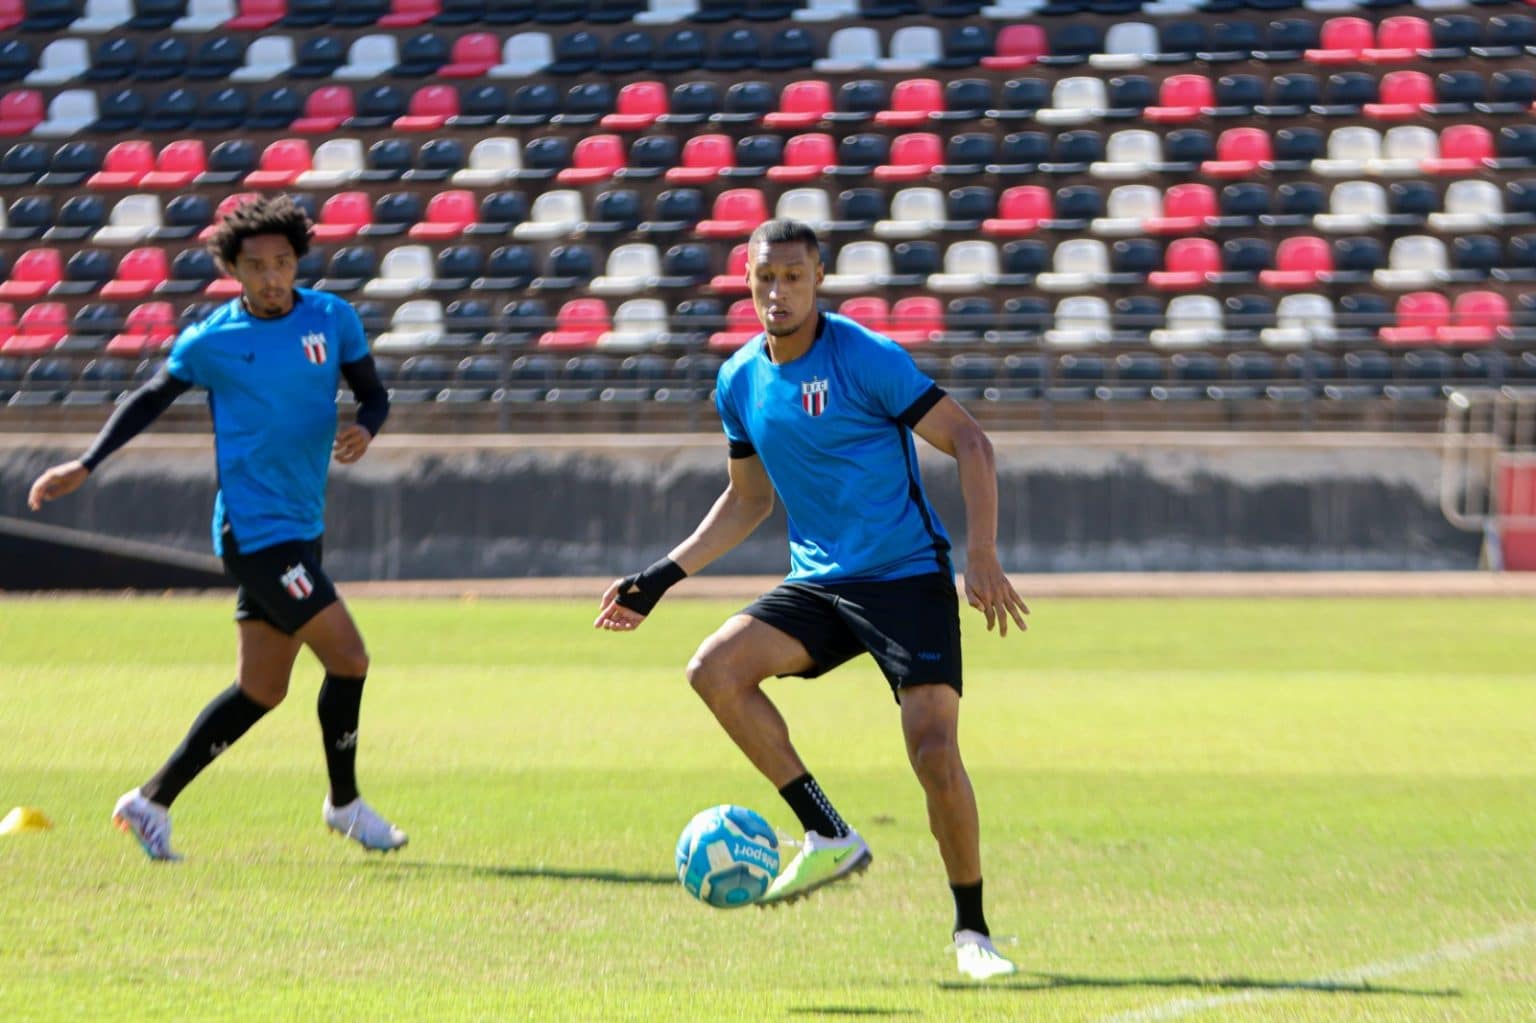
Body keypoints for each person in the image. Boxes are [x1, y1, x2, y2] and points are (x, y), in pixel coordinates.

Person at [594, 219, 1028, 981]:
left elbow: (972, 442)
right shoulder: (739, 380)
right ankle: (828, 832)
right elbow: (747, 500)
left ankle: (973, 930)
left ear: (818, 278)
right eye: (766, 277)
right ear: (747, 280)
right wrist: (658, 578)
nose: (779, 291)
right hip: (821, 583)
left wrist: (983, 553)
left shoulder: (864, 356)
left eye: (793, 276)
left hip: (905, 576)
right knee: (714, 670)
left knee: (934, 753)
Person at [27, 195, 406, 862]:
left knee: (262, 689)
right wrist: (86, 463)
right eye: (256, 266)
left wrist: (365, 428)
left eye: (282, 262)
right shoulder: (213, 340)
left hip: (302, 525)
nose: (271, 276)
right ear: (233, 270)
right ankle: (344, 803)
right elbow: (149, 398)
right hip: (255, 534)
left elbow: (374, 393)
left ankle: (149, 801)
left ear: (297, 263)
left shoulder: (331, 318)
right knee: (350, 658)